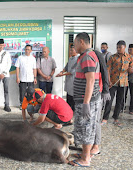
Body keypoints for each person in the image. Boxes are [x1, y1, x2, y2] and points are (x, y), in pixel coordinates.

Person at [69, 32, 101, 167]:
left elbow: (91, 80)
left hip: (86, 101)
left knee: (87, 127)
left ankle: (86, 158)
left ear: (81, 42)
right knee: (83, 127)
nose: (74, 46)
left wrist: (86, 102)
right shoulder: (85, 56)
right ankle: (84, 153)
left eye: (75, 43)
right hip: (83, 100)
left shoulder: (87, 56)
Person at [102, 40, 133, 126]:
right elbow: (107, 70)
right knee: (109, 100)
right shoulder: (112, 57)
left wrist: (130, 70)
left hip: (123, 83)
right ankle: (105, 118)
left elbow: (131, 68)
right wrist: (109, 81)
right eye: (117, 47)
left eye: (120, 47)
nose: (118, 49)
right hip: (113, 82)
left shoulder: (129, 57)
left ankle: (116, 118)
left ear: (124, 47)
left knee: (120, 101)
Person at [56, 44, 79, 111]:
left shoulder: (78, 59)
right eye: (70, 50)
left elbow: (72, 71)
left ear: (76, 50)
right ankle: (68, 110)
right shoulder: (70, 58)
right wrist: (61, 72)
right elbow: (66, 67)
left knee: (73, 97)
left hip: (74, 81)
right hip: (69, 81)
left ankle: (73, 111)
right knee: (68, 95)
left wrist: (62, 75)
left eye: (72, 50)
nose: (70, 52)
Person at [128, 44, 133, 115]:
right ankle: (121, 108)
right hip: (126, 79)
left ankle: (131, 109)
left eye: (131, 50)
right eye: (129, 50)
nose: (129, 51)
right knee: (123, 95)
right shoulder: (127, 57)